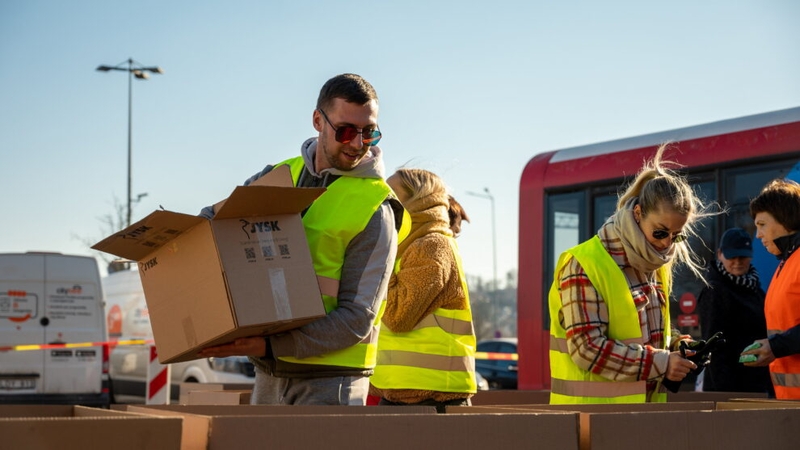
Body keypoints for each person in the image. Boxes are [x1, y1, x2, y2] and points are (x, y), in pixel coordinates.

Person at [197, 73, 407, 406]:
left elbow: (357, 318)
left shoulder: (375, 208)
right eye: (347, 131)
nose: (358, 143)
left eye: (369, 132)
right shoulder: (281, 175)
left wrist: (269, 345)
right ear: (317, 121)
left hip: (329, 382)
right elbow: (215, 222)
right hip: (270, 372)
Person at [548, 143, 711, 404]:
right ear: (637, 213)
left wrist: (678, 346)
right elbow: (586, 348)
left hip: (642, 420)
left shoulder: (655, 267)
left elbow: (648, 337)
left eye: (676, 235)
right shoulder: (583, 263)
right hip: (590, 422)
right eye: (660, 232)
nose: (666, 244)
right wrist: (662, 363)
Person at [369, 168, 477, 413]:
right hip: (406, 393)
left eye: (390, 194)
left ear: (418, 202)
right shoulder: (409, 246)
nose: (382, 202)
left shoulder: (432, 245)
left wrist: (377, 261)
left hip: (432, 398)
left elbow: (398, 315)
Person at [741, 178, 800, 399]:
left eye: (762, 225)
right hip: (789, 404)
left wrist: (774, 347)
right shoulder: (786, 264)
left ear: (785, 220)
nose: (758, 235)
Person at [697, 228, 773, 394]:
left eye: (743, 256)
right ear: (719, 254)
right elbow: (712, 349)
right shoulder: (714, 291)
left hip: (757, 384)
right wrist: (725, 396)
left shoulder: (756, 289)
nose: (738, 261)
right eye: (732, 256)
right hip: (729, 389)